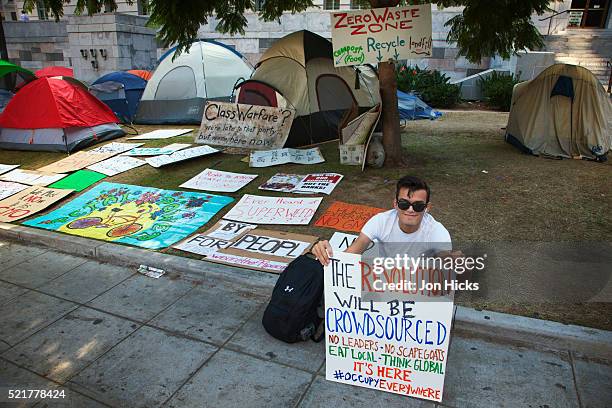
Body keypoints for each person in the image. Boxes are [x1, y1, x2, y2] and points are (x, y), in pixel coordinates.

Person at [311, 175, 452, 265]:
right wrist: (326, 253)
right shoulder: (380, 221)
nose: (410, 210)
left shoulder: (437, 231)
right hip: (386, 280)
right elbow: (354, 251)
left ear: (427, 208)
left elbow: (446, 263)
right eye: (404, 204)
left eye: (418, 206)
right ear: (395, 204)